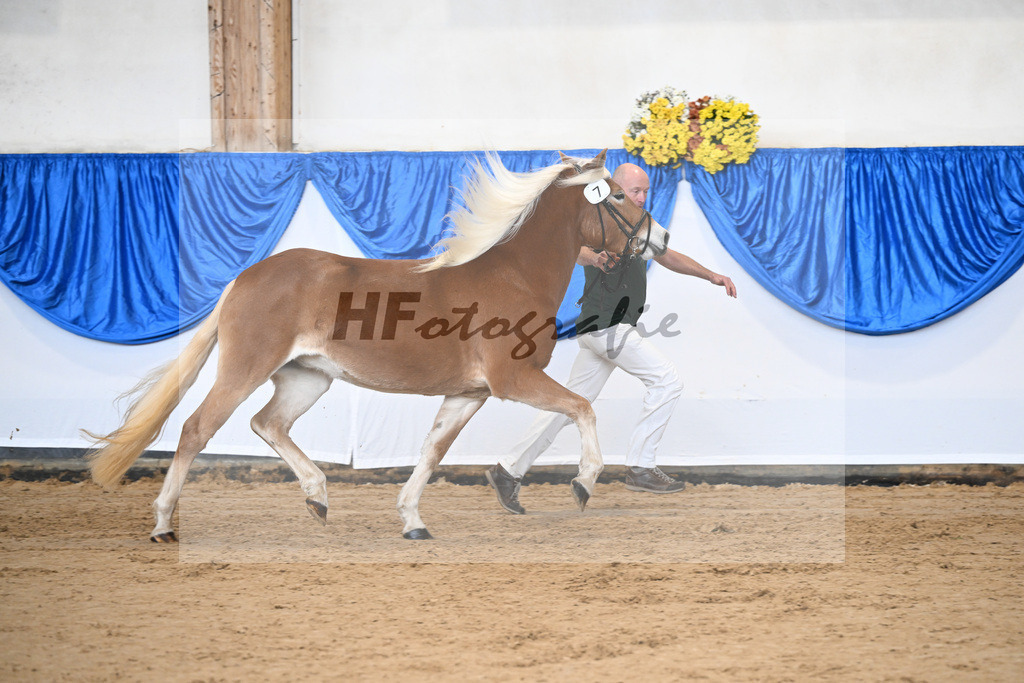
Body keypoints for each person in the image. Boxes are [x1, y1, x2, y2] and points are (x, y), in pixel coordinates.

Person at [485, 162, 737, 514]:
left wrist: (710, 274)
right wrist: (594, 255)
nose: (643, 197)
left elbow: (667, 255)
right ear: (616, 188)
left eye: (646, 191)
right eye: (636, 191)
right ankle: (641, 467)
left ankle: (508, 470)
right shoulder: (600, 216)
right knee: (668, 381)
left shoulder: (635, 225)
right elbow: (573, 246)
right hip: (608, 327)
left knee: (563, 407)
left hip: (599, 331)